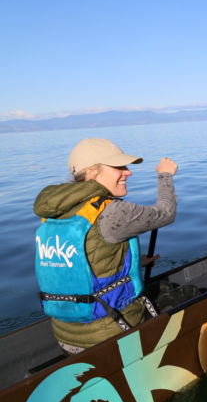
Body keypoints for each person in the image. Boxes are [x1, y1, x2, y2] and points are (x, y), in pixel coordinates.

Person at [34, 138, 178, 354]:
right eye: (119, 166)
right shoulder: (110, 211)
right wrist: (165, 175)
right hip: (113, 333)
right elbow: (166, 214)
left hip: (66, 336)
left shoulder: (57, 213)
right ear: (92, 173)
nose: (128, 172)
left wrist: (131, 262)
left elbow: (82, 260)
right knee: (181, 298)